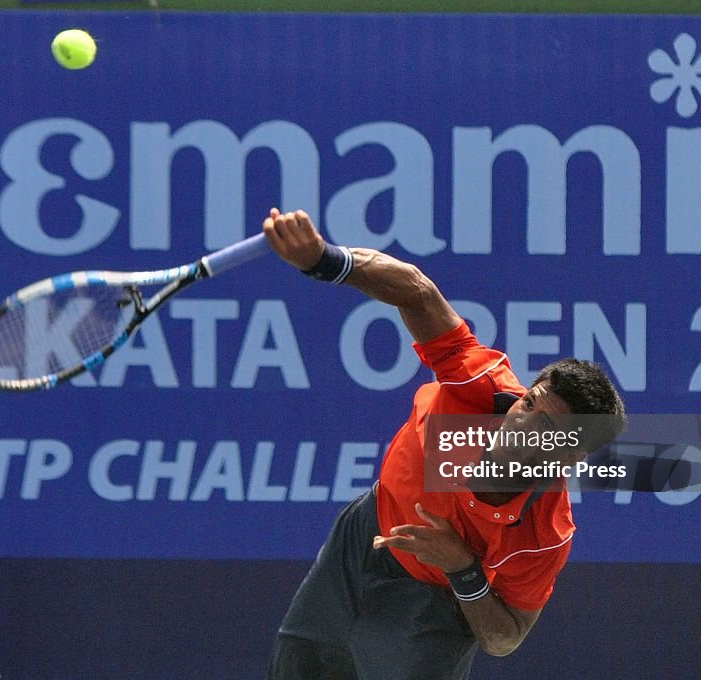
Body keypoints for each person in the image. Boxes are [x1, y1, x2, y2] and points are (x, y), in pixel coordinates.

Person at [262, 208, 626, 680]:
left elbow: (505, 637)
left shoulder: (543, 534)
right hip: (356, 550)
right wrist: (324, 259)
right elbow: (415, 290)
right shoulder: (478, 386)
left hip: (434, 606)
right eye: (531, 403)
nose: (524, 422)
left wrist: (463, 568)